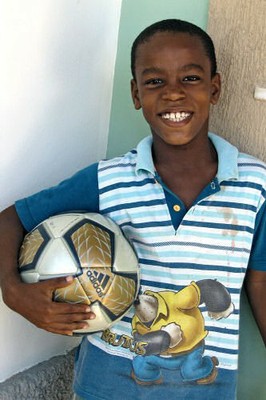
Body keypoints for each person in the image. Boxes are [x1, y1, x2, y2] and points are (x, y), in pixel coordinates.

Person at [0, 19, 265, 400]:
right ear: (136, 93)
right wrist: (13, 291)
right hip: (102, 389)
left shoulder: (255, 184)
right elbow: (10, 220)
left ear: (215, 88)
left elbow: (260, 282)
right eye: (155, 81)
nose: (173, 94)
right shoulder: (108, 179)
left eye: (190, 78)